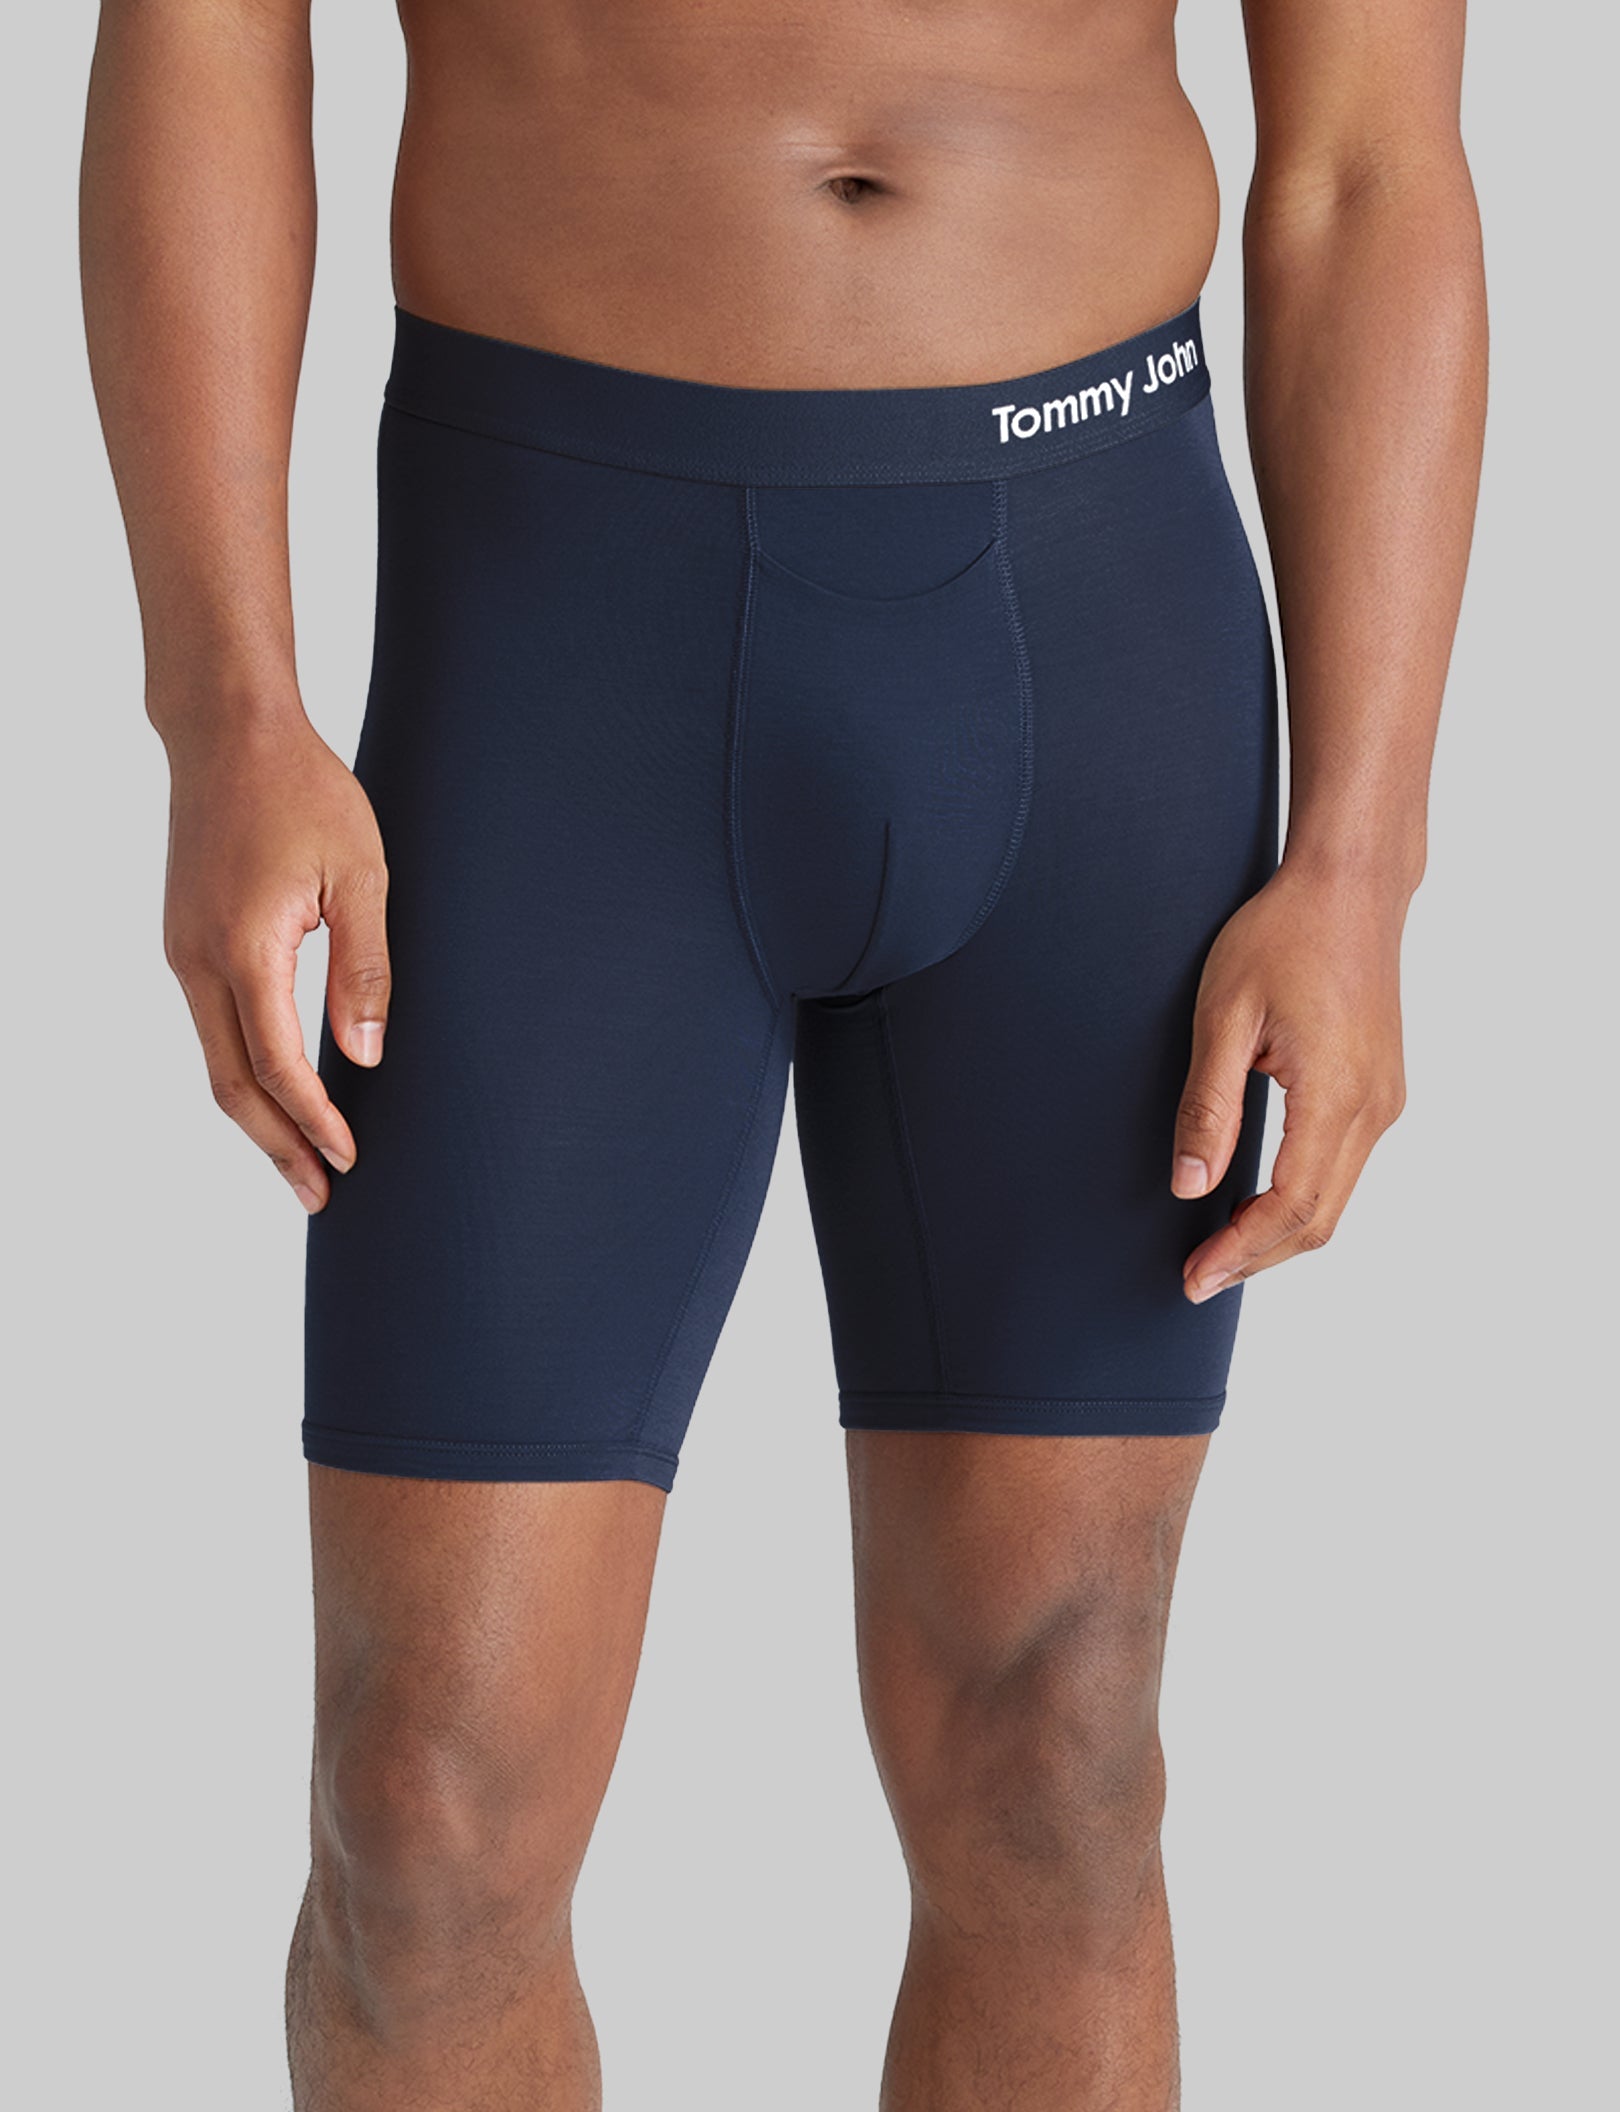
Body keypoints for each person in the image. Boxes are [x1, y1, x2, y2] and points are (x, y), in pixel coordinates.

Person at [81, 1, 1485, 2104]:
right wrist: (226, 714)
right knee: (426, 1816)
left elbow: (1367, 167)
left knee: (1057, 1751)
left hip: (1092, 611)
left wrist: (1363, 858)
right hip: (557, 632)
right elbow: (199, 34)